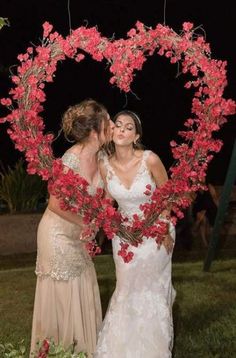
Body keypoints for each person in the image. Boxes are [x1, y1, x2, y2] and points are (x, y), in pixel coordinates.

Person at [30, 99, 113, 356]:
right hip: (56, 235)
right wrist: (86, 224)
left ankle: (83, 351)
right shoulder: (71, 159)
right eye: (107, 121)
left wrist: (98, 221)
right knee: (65, 296)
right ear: (93, 130)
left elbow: (106, 198)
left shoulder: (102, 157)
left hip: (79, 236)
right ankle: (59, 351)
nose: (112, 125)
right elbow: (55, 204)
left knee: (83, 290)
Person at [95, 110, 176, 358]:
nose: (121, 130)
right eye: (117, 125)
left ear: (136, 135)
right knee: (126, 288)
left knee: (150, 290)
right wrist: (102, 220)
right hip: (124, 236)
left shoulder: (150, 160)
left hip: (155, 231)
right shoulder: (104, 165)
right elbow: (108, 200)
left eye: (128, 127)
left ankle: (153, 349)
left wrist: (163, 228)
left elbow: (168, 195)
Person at [192, 180, 219, 248]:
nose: (202, 178)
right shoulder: (194, 187)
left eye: (203, 177)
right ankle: (205, 243)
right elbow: (192, 199)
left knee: (211, 223)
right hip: (200, 207)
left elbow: (215, 197)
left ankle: (212, 242)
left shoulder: (209, 186)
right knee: (202, 220)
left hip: (210, 207)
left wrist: (219, 209)